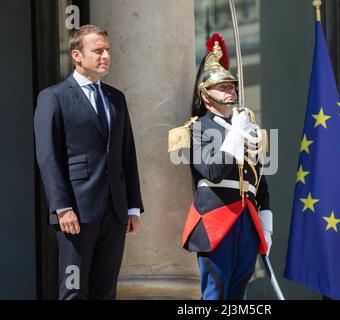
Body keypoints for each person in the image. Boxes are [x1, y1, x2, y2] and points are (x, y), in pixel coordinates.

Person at [34, 25, 144, 300]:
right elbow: (48, 157)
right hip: (76, 213)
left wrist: (133, 205)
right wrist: (62, 208)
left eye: (107, 50)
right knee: (73, 291)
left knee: (105, 292)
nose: (106, 55)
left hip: (115, 212)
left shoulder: (116, 98)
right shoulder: (53, 98)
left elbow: (126, 154)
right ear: (77, 55)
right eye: (98, 50)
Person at [169, 34, 273, 300]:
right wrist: (235, 135)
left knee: (238, 295)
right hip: (217, 219)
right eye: (222, 87)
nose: (231, 91)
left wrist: (266, 226)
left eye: (232, 86)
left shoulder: (247, 129)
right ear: (205, 95)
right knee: (216, 293)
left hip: (247, 221)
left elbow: (259, 184)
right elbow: (213, 171)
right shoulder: (198, 127)